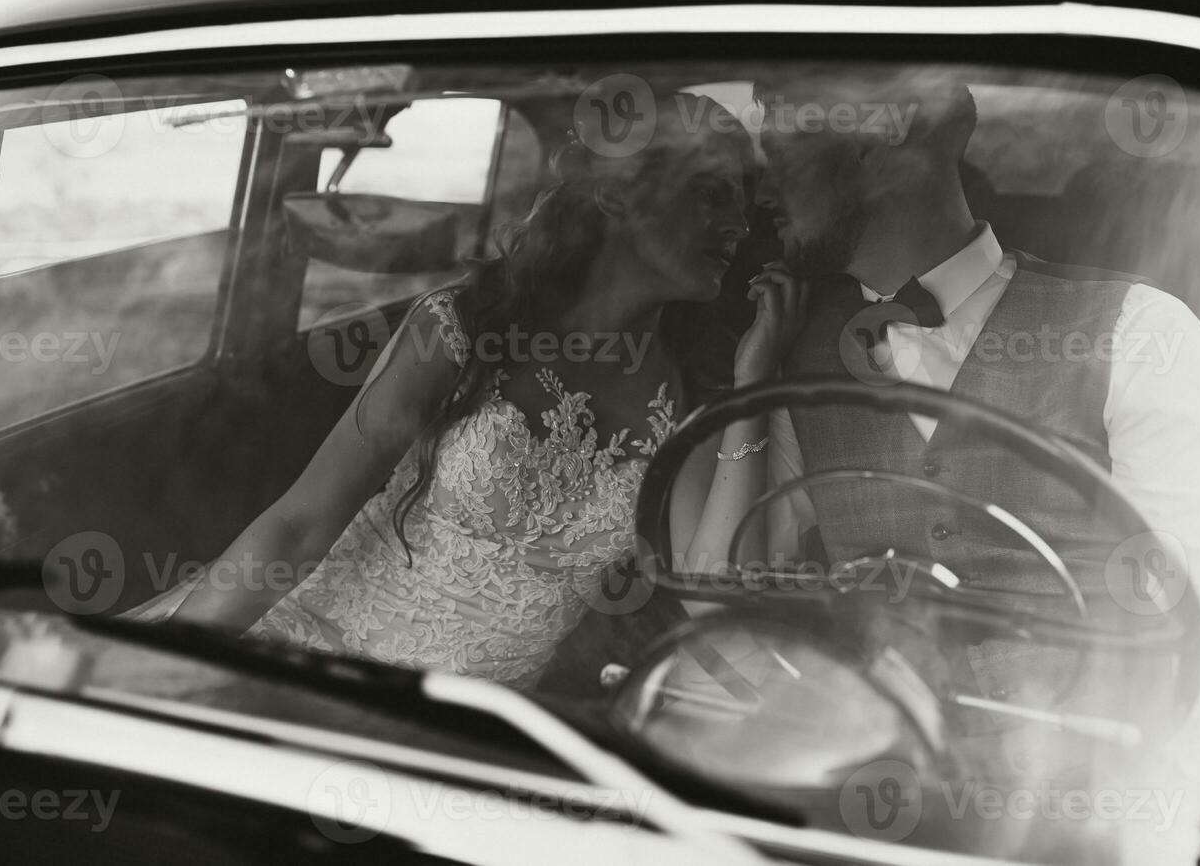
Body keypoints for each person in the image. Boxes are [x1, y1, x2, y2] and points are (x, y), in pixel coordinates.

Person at [753, 69, 1200, 865]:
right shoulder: (797, 361)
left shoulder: (1138, 330)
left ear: (888, 136)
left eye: (781, 135)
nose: (760, 172)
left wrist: (1195, 848)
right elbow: (752, 590)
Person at [164, 93, 806, 690]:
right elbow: (298, 526)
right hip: (307, 647)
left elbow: (712, 593)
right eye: (710, 193)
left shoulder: (693, 393)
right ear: (618, 194)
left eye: (742, 200)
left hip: (463, 731)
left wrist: (753, 388)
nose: (738, 224)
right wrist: (159, 668)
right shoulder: (462, 328)